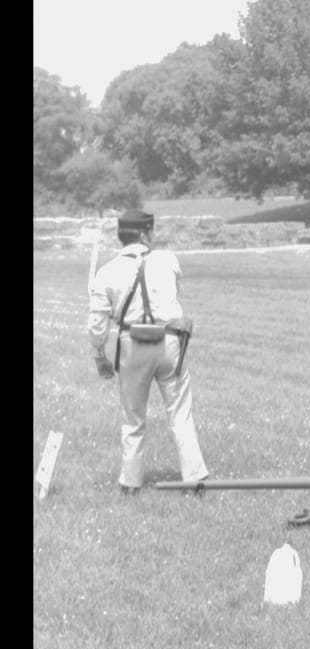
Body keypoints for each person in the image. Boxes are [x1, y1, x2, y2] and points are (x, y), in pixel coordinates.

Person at [87, 209, 208, 495]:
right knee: (180, 414)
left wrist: (100, 357)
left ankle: (130, 483)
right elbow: (173, 292)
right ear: (144, 234)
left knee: (133, 418)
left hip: (133, 343)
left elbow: (96, 325)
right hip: (170, 341)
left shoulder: (107, 272)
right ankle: (195, 479)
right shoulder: (167, 260)